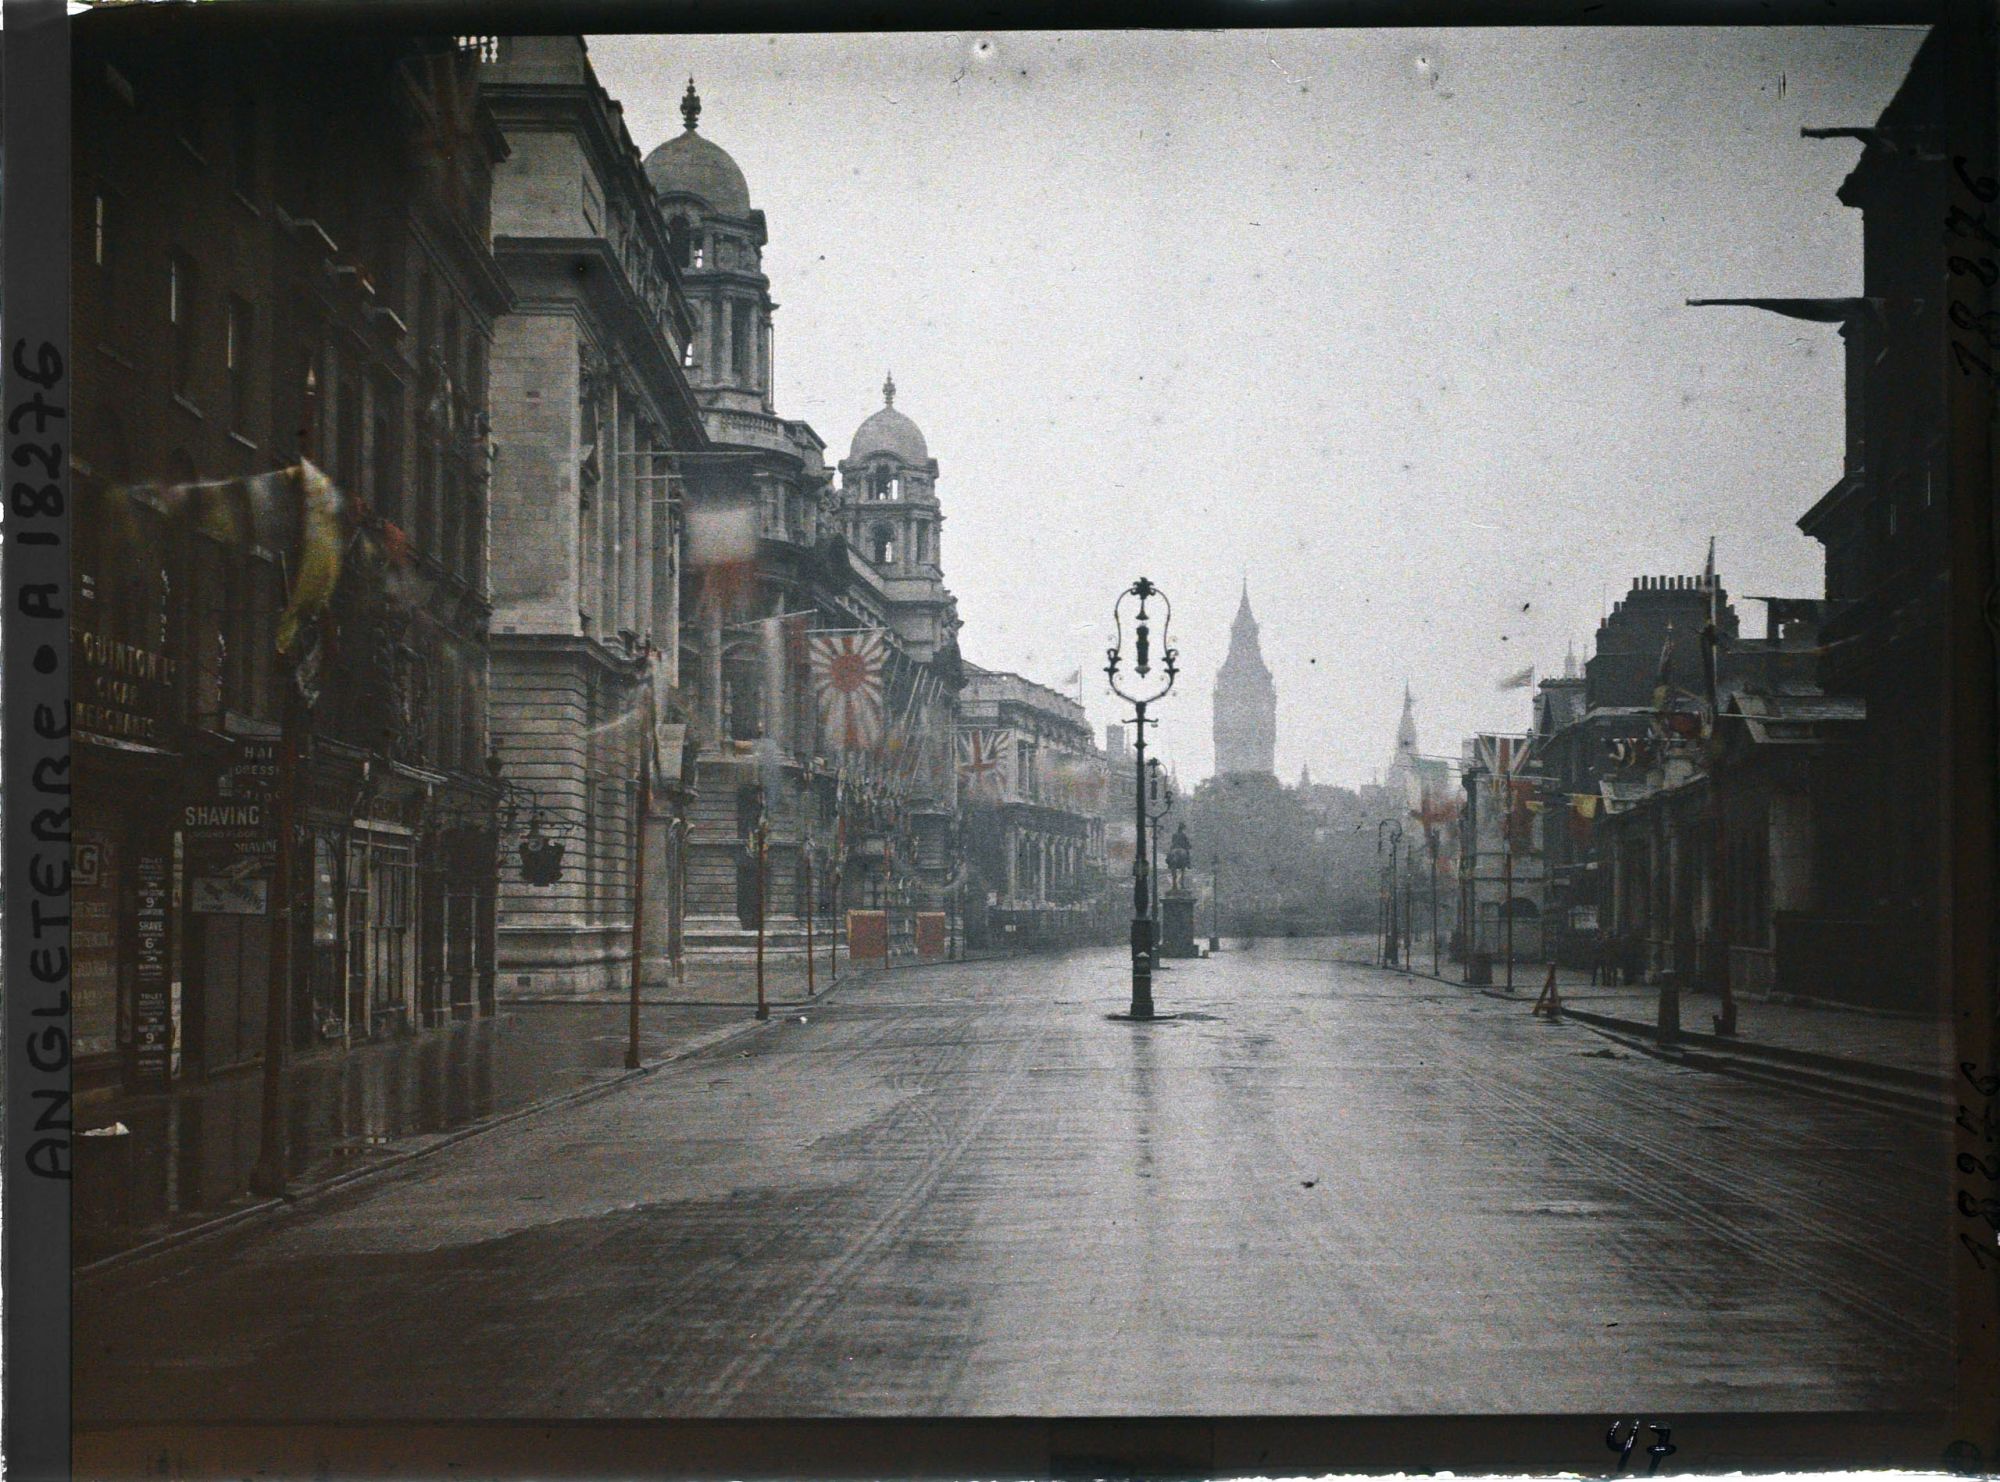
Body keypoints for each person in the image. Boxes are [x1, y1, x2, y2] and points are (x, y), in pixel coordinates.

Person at [1166, 824, 1193, 893]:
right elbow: (1187, 843)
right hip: (1182, 847)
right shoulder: (1184, 835)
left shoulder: (1174, 834)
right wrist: (1188, 846)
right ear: (1182, 828)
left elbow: (1172, 842)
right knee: (1187, 853)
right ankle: (1188, 863)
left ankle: (1169, 862)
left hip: (1174, 847)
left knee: (1170, 853)